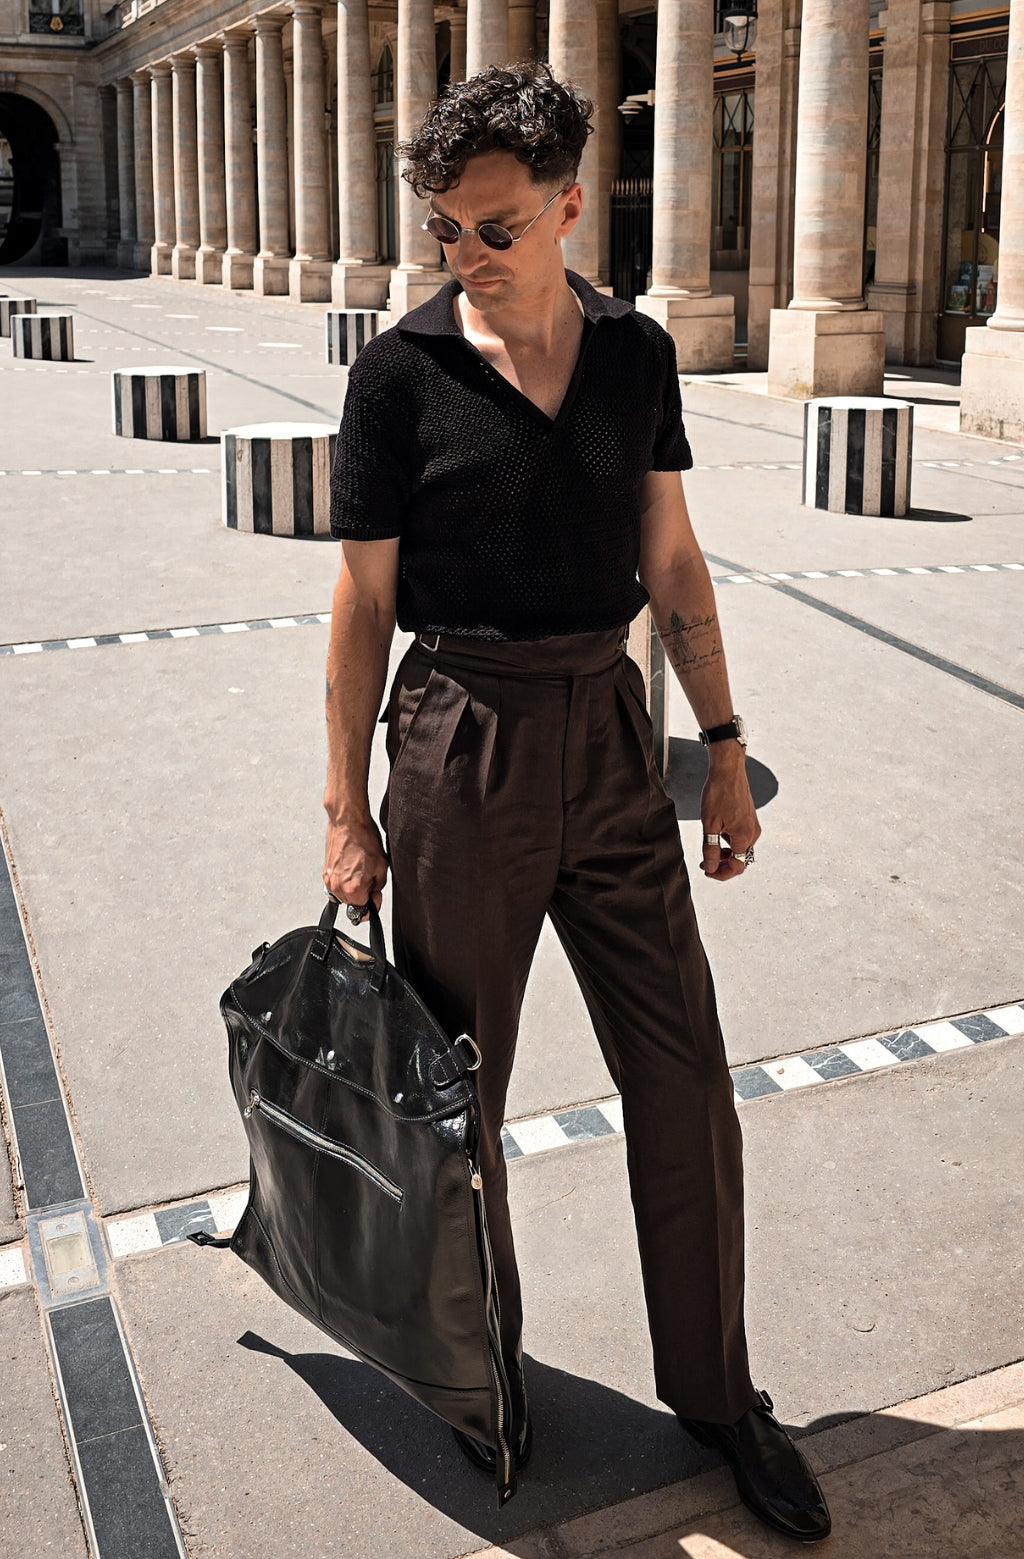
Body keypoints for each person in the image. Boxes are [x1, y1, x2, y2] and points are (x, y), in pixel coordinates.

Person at [323, 63, 831, 1544]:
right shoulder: (399, 375)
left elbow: (670, 556)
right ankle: (481, 1383)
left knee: (685, 1076)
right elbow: (361, 607)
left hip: (612, 734)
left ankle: (719, 1395)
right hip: (459, 742)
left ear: (565, 206)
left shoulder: (634, 355)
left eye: (491, 227)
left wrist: (722, 747)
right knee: (456, 1100)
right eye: (442, 227)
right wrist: (347, 808)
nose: (463, 254)